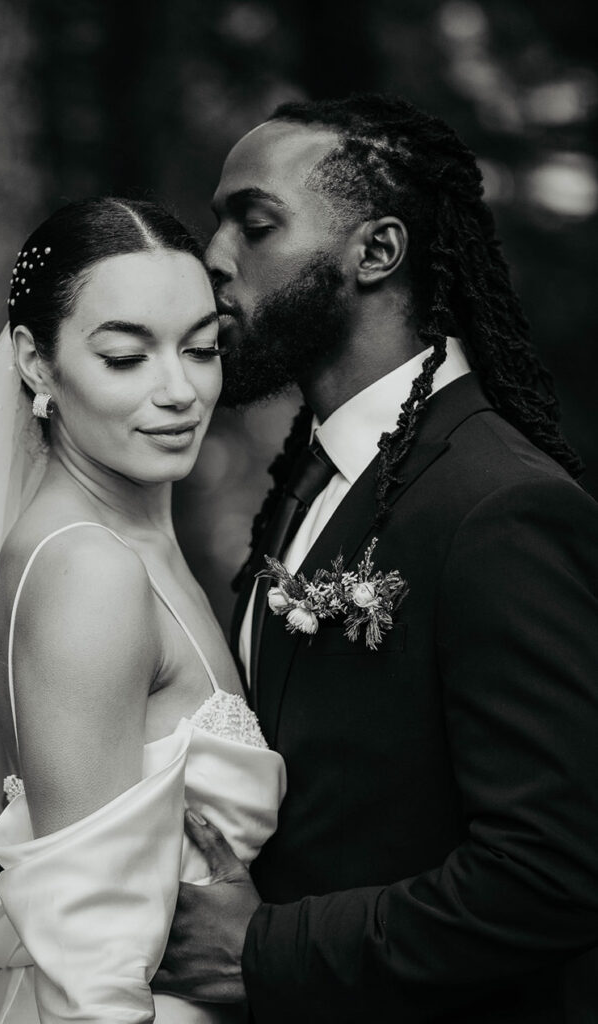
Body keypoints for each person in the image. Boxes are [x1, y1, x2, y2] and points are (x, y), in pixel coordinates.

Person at [156, 94, 598, 1022]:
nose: (213, 257)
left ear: (376, 251)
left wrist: (267, 950)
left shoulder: (497, 506)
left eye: (254, 222)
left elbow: (555, 869)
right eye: (215, 221)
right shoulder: (309, 486)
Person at [0, 197, 285, 1024]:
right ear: (35, 365)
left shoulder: (132, 535)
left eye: (200, 349)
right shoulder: (89, 568)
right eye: (125, 357)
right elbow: (92, 960)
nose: (179, 390)